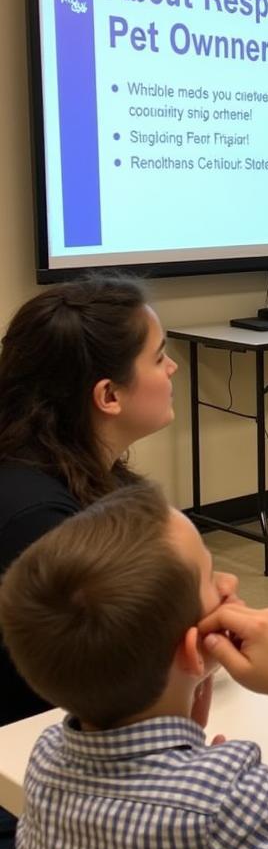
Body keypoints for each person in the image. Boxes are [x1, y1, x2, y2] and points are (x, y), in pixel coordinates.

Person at [0, 480, 268, 849]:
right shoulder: (221, 799)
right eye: (208, 576)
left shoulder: (48, 754)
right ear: (192, 650)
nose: (228, 582)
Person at [0, 274, 180, 728]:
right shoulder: (39, 519)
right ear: (108, 395)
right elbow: (110, 677)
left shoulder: (82, 473)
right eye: (159, 358)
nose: (172, 368)